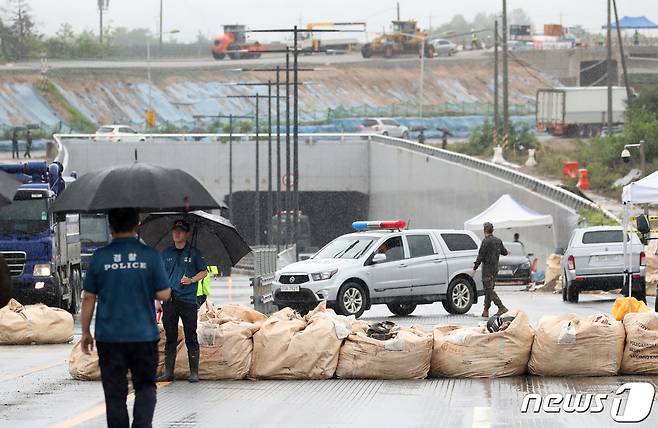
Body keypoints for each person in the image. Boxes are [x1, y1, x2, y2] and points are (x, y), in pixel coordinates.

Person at [80, 208, 171, 428]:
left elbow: (88, 298)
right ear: (137, 226)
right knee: (146, 387)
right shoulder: (150, 255)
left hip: (109, 338)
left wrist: (85, 332)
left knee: (114, 393)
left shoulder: (100, 258)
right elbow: (164, 294)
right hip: (144, 336)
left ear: (110, 227)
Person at [158, 219, 207, 383]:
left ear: (186, 234)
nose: (176, 233)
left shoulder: (194, 253)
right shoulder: (166, 253)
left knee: (190, 335)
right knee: (170, 337)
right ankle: (168, 372)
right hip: (170, 301)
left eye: (180, 231)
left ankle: (194, 372)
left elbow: (204, 272)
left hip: (187, 301)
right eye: (174, 230)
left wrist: (192, 279)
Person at [471, 222, 509, 318]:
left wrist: (474, 269)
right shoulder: (498, 241)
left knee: (489, 289)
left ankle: (501, 306)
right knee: (488, 289)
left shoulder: (485, 241)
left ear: (484, 231)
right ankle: (486, 310)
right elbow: (504, 252)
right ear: (493, 230)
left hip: (487, 269)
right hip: (495, 269)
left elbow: (480, 256)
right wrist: (503, 251)